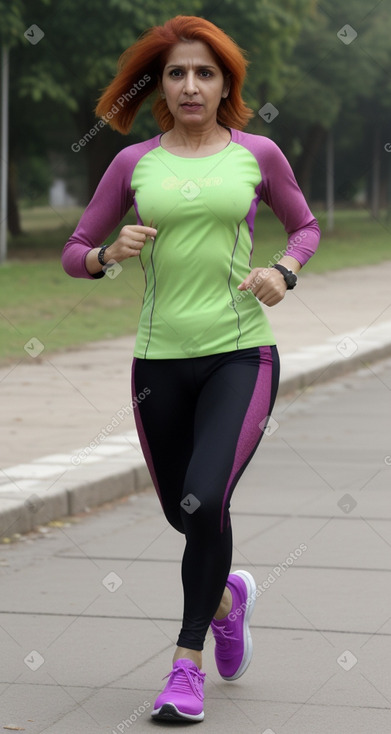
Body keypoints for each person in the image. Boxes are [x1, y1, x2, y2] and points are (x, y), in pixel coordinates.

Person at [62, 14, 320, 723]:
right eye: (176, 73)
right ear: (158, 86)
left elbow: (304, 227)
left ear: (225, 83)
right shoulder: (131, 164)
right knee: (188, 515)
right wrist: (108, 256)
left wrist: (283, 270)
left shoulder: (256, 154)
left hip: (240, 352)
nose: (190, 85)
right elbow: (75, 250)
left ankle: (185, 668)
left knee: (204, 501)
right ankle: (228, 599)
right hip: (159, 364)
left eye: (204, 72)